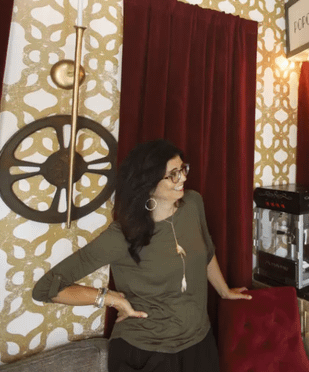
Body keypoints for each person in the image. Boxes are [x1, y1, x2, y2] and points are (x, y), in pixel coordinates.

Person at [32, 139, 251, 372]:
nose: (184, 178)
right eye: (173, 174)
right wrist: (112, 299)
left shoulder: (193, 203)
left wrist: (224, 291)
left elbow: (206, 251)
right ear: (148, 183)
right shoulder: (121, 235)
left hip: (200, 344)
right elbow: (46, 289)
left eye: (183, 169)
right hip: (147, 353)